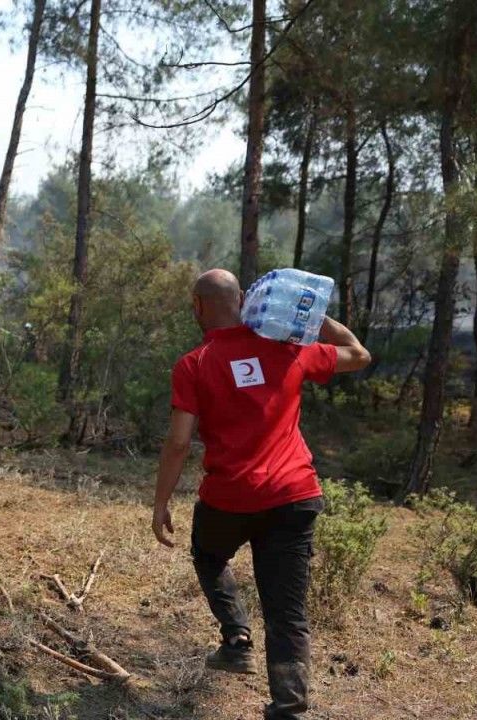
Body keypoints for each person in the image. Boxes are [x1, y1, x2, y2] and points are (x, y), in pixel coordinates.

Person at [151, 268, 371, 720]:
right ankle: (288, 708)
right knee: (286, 611)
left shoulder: (194, 364)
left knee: (209, 555)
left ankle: (236, 640)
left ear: (197, 306)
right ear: (243, 300)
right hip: (293, 496)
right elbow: (359, 354)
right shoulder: (288, 348)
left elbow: (178, 441)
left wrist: (160, 502)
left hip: (229, 498)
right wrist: (313, 315)